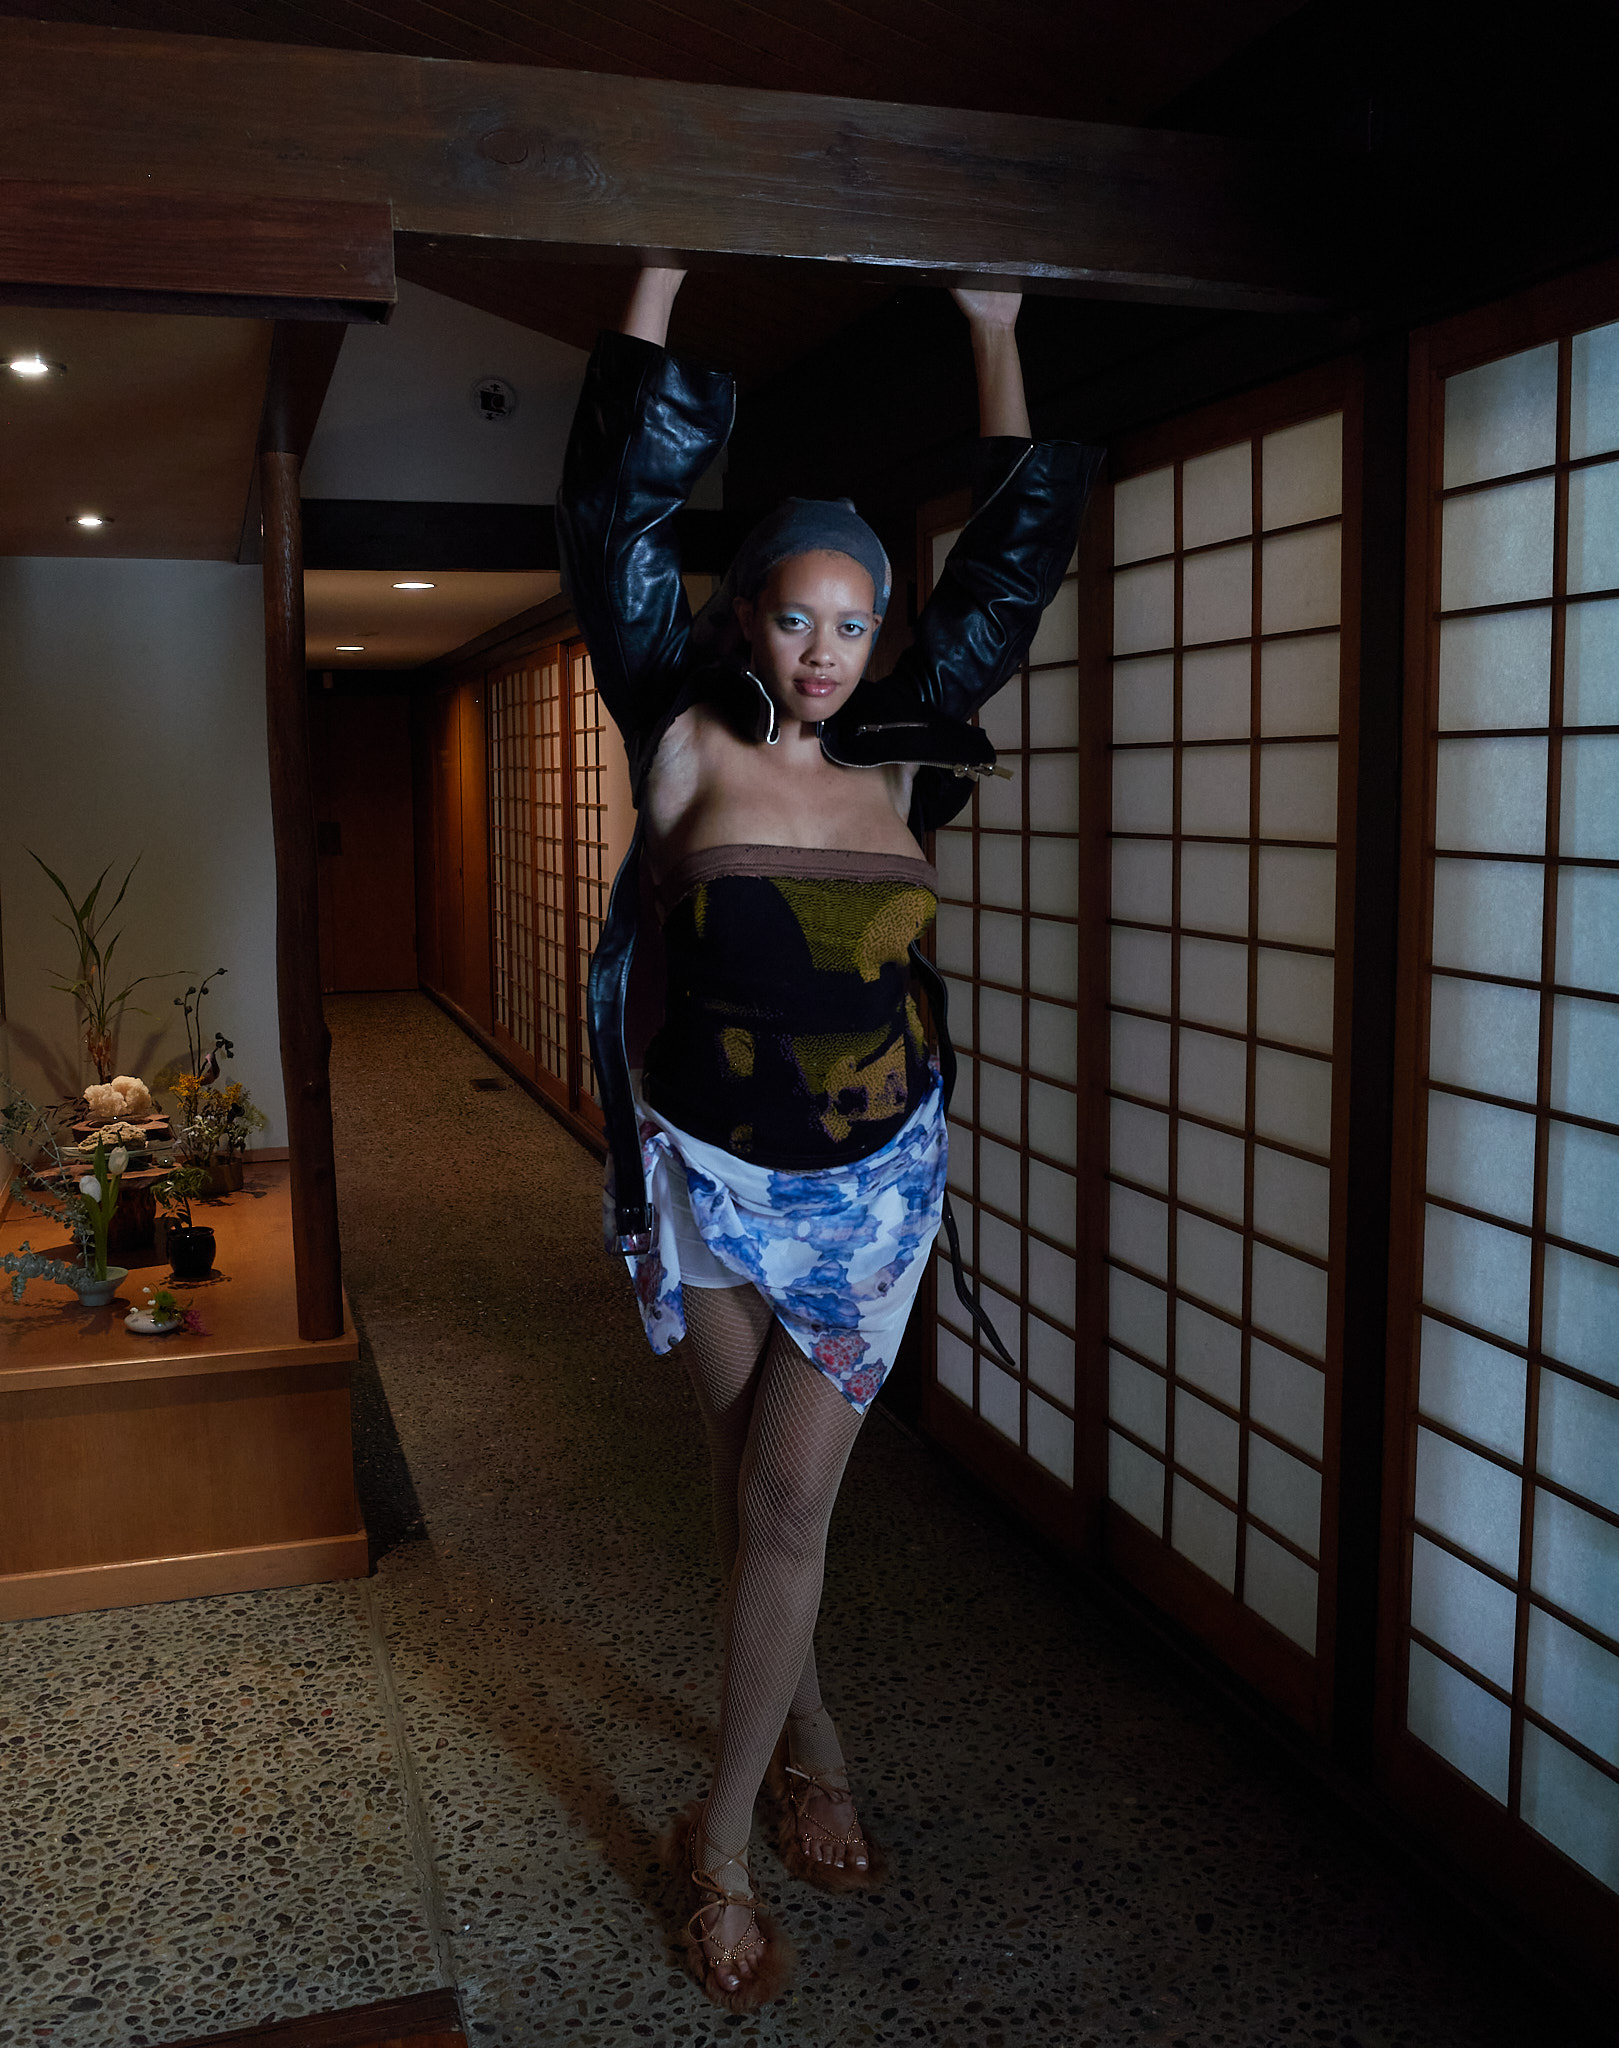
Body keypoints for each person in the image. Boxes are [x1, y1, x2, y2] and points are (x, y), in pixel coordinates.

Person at [557, 266, 1097, 2011]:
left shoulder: (905, 758)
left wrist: (993, 325)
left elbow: (1011, 555)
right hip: (708, 1175)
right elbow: (612, 522)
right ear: (745, 621)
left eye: (853, 622)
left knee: (786, 1502)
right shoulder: (683, 740)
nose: (824, 648)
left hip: (869, 1198)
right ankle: (819, 1747)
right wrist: (650, 279)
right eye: (795, 616)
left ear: (880, 633)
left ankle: (706, 1842)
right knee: (752, 1503)